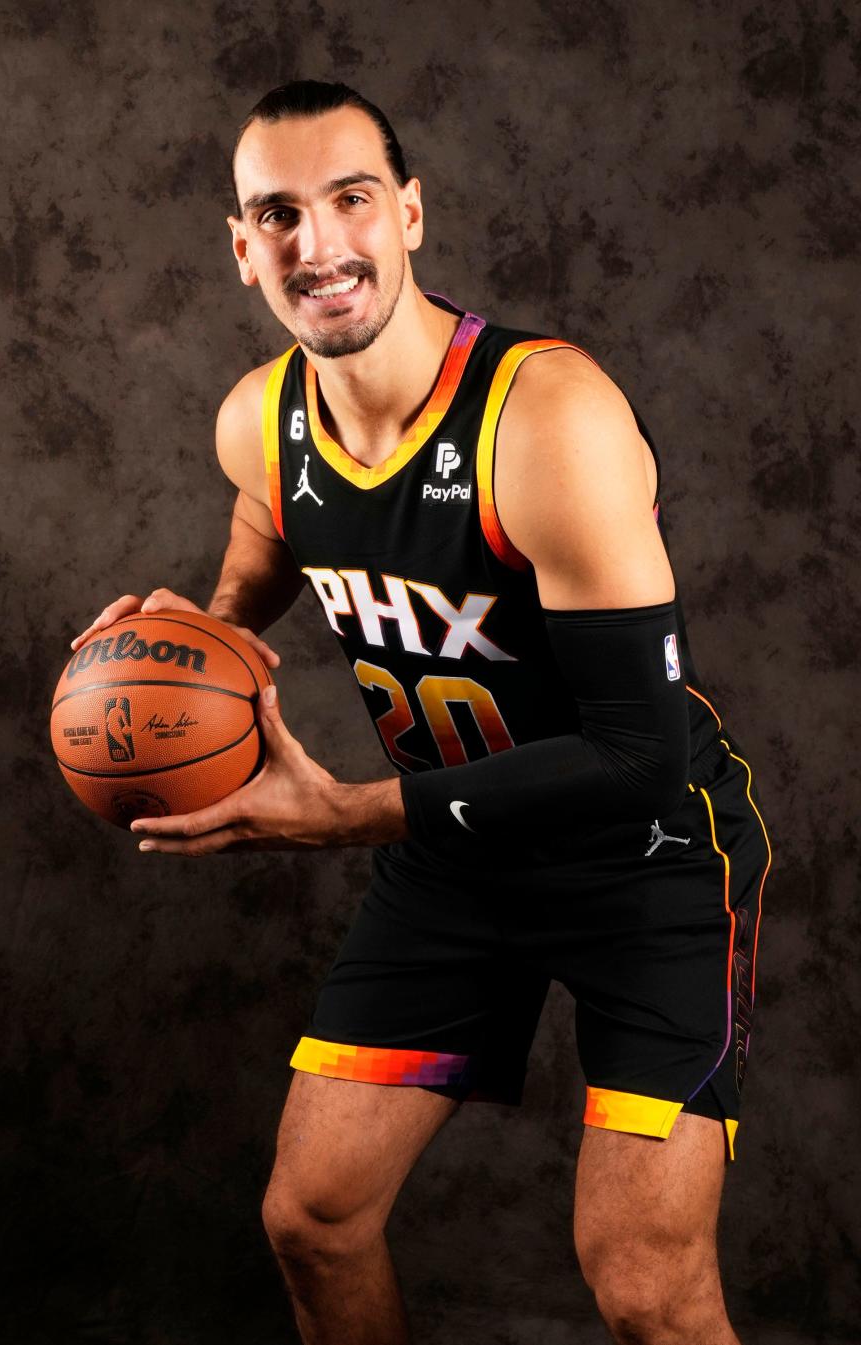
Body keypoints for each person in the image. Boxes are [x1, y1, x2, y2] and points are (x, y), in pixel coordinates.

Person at [72, 81, 772, 1345]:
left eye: (349, 201)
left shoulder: (546, 417)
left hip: (648, 857)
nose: (317, 244)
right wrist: (214, 625)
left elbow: (637, 754)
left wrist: (345, 816)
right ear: (242, 248)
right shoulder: (259, 421)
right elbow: (269, 521)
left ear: (407, 215)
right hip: (456, 858)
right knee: (313, 1217)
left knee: (646, 1285)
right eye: (276, 214)